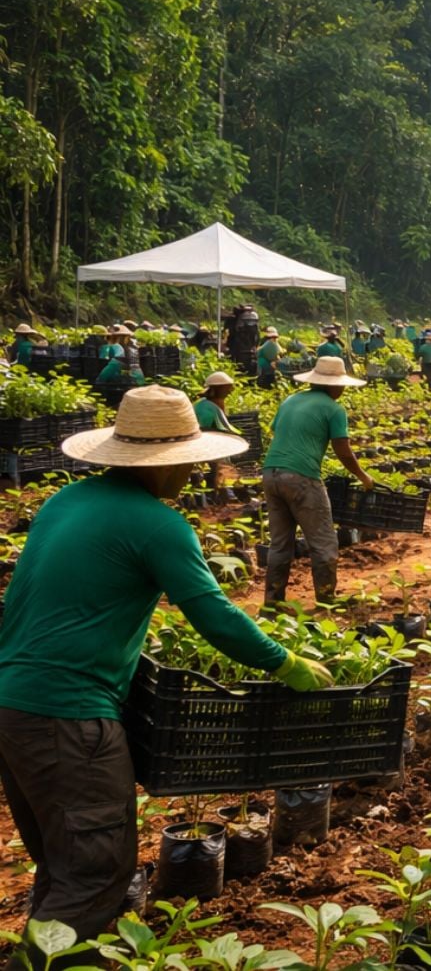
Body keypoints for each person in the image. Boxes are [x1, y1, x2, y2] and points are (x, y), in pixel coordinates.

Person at [0, 387, 333, 964]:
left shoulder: (64, 502)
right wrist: (286, 662)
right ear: (170, 460)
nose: (196, 468)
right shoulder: (159, 525)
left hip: (13, 706)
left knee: (63, 865)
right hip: (70, 716)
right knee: (97, 873)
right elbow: (216, 617)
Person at [261, 357, 373, 610]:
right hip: (302, 477)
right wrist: (363, 477)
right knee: (323, 541)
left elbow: (277, 431)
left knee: (279, 543)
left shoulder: (291, 400)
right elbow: (343, 450)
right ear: (333, 385)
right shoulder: (334, 409)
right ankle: (326, 598)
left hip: (271, 473)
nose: (344, 389)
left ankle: (272, 601)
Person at [193, 371, 243, 490]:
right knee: (215, 472)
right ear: (218, 389)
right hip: (205, 446)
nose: (230, 391)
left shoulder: (213, 403)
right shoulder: (205, 407)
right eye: (227, 389)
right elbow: (203, 429)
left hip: (213, 445)